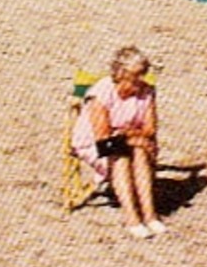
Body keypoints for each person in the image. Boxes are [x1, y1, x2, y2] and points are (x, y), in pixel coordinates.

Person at [70, 46, 165, 239]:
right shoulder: (101, 93)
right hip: (94, 144)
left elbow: (150, 129)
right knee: (121, 155)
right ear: (121, 73)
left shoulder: (147, 92)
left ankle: (149, 214)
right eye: (136, 75)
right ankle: (131, 217)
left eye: (143, 74)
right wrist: (133, 135)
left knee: (138, 151)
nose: (141, 80)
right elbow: (103, 138)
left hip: (129, 141)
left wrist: (130, 134)